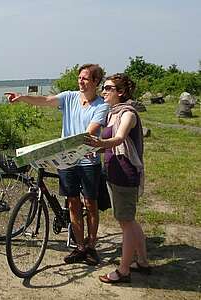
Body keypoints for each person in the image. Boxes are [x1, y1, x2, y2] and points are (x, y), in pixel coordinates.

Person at [5, 64, 109, 265]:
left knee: (90, 203)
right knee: (72, 202)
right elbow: (45, 100)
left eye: (85, 78)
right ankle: (80, 247)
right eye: (79, 77)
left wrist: (76, 146)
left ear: (96, 82)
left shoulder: (101, 105)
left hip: (88, 161)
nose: (80, 81)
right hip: (66, 161)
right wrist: (22, 98)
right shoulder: (70, 97)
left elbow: (90, 131)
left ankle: (91, 246)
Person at [85, 73, 151, 283]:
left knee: (126, 223)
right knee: (129, 221)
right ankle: (142, 261)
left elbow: (120, 138)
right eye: (104, 87)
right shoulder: (113, 113)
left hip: (125, 174)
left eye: (108, 88)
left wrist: (98, 145)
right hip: (114, 172)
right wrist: (96, 149)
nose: (104, 91)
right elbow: (108, 141)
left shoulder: (127, 114)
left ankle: (124, 271)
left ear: (120, 92)